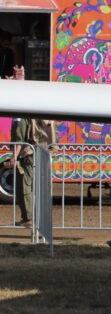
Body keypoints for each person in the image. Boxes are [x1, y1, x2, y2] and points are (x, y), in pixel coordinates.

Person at [9, 66, 55, 228]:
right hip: (40, 151)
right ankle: (36, 218)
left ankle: (29, 218)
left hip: (28, 153)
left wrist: (14, 157)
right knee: (37, 186)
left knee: (25, 186)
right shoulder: (36, 106)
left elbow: (20, 138)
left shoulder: (21, 111)